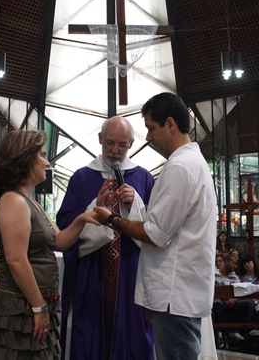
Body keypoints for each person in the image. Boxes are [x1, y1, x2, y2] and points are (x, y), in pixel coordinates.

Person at [93, 93, 217, 360]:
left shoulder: (181, 167)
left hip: (175, 296)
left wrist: (110, 219)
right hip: (176, 294)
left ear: (170, 124)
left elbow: (155, 233)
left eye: (151, 128)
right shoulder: (190, 162)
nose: (148, 137)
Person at [0, 130, 100, 360]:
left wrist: (84, 218)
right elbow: (16, 260)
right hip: (18, 309)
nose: (47, 162)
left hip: (32, 306)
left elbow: (59, 241)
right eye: (42, 155)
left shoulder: (29, 201)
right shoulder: (14, 201)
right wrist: (38, 307)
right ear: (24, 159)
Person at [57, 116, 155, 360]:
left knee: (133, 336)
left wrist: (136, 204)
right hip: (92, 273)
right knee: (89, 336)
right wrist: (95, 206)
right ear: (100, 138)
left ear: (131, 144)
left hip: (131, 273)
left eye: (122, 145)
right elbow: (65, 225)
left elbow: (158, 227)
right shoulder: (81, 178)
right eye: (110, 142)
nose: (115, 151)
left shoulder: (144, 178)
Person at [212, 254, 256, 341]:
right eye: (233, 263)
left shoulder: (234, 277)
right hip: (218, 301)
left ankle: (235, 331)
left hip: (231, 302)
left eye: (236, 264)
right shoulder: (214, 274)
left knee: (249, 304)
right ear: (227, 262)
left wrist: (234, 299)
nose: (235, 266)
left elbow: (239, 290)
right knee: (217, 304)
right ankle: (218, 332)